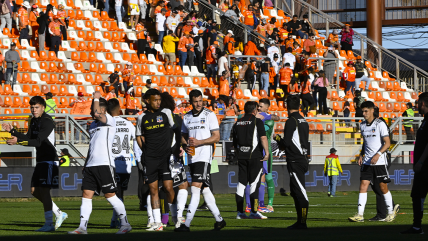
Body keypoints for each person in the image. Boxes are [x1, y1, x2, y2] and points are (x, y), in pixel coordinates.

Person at [2, 96, 68, 231]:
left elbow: (37, 141)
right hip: (41, 159)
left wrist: (18, 142)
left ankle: (49, 223)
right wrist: (13, 131)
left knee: (44, 191)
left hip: (49, 159)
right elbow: (29, 138)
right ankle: (59, 213)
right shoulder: (34, 120)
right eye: (32, 107)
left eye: (36, 107)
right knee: (34, 191)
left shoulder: (48, 121)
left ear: (43, 107)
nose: (34, 109)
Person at [68, 95, 132, 234]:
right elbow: (92, 145)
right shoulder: (93, 124)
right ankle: (82, 227)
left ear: (102, 109)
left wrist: (96, 97)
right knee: (86, 194)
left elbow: (97, 113)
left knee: (110, 195)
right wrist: (86, 163)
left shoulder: (109, 120)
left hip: (105, 163)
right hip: (91, 165)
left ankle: (125, 224)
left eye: (93, 108)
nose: (91, 112)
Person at [175, 89, 226, 232]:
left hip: (204, 156)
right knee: (205, 189)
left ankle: (186, 224)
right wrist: (185, 145)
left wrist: (200, 142)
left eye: (200, 101)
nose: (198, 104)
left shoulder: (209, 115)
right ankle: (219, 220)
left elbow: (216, 137)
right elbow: (183, 136)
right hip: (191, 157)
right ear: (190, 102)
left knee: (195, 188)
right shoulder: (187, 117)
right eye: (195, 101)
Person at [348, 101, 396, 223]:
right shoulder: (362, 125)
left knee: (382, 186)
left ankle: (391, 212)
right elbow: (366, 143)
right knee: (363, 186)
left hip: (379, 161)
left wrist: (378, 154)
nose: (363, 114)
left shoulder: (380, 124)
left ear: (372, 110)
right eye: (362, 111)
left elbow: (387, 143)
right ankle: (359, 215)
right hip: (367, 162)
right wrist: (361, 155)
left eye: (366, 111)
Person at [136, 88, 176, 231]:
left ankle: (175, 216)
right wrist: (146, 151)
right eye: (155, 100)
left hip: (165, 157)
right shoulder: (141, 117)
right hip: (151, 159)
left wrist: (177, 146)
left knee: (168, 188)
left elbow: (174, 129)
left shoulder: (165, 113)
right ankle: (157, 223)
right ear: (147, 101)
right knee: (153, 190)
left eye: (159, 100)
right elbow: (138, 136)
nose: (158, 102)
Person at [274, 95, 310, 229]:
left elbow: (286, 143)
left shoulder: (291, 120)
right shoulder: (303, 120)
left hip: (295, 159)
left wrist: (277, 138)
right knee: (295, 191)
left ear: (286, 106)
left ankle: (302, 223)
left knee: (300, 192)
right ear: (299, 106)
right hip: (301, 158)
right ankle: (300, 221)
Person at [233, 101, 269, 220]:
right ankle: (254, 212)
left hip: (242, 157)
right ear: (254, 111)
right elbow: (263, 137)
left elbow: (234, 142)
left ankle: (239, 213)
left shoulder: (237, 123)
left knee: (241, 184)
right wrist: (267, 152)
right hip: (254, 157)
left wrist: (239, 154)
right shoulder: (256, 121)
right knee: (254, 184)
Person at [159, 92, 189, 228]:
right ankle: (179, 215)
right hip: (173, 157)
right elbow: (181, 136)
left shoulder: (154, 117)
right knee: (182, 185)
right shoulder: (175, 118)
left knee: (163, 188)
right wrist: (183, 146)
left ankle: (162, 219)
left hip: (157, 157)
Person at [109, 101, 141, 229]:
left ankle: (115, 220)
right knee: (120, 193)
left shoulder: (108, 124)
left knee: (114, 194)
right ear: (119, 109)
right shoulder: (128, 124)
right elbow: (137, 142)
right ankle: (116, 220)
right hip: (126, 163)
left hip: (112, 162)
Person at [401, 92, 428, 234]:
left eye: (418, 103)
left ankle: (417, 226)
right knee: (417, 195)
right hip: (422, 166)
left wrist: (421, 161)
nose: (417, 106)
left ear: (422, 103)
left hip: (425, 166)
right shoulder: (425, 119)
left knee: (418, 195)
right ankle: (417, 227)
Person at [254, 99, 279, 213]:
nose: (258, 108)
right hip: (256, 151)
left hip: (266, 151)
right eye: (258, 106)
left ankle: (270, 204)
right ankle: (255, 204)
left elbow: (276, 118)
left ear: (267, 108)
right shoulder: (257, 117)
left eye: (261, 106)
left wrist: (265, 117)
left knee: (267, 177)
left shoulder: (268, 119)